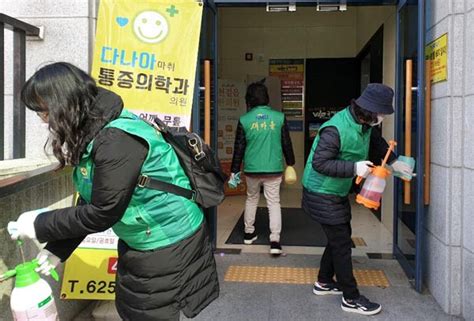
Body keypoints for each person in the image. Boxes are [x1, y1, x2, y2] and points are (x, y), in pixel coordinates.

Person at [7, 62, 219, 321]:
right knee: (136, 308)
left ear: (64, 102)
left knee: (148, 312)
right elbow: (91, 200)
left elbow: (103, 212)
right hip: (145, 237)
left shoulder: (116, 139)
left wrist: (39, 223)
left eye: (44, 111)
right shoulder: (95, 131)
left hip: (168, 241)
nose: (44, 121)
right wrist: (57, 249)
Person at [301, 83, 413, 316]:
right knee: (342, 242)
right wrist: (354, 168)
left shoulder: (364, 125)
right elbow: (320, 163)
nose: (382, 118)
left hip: (336, 190)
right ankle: (350, 298)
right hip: (320, 191)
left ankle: (323, 282)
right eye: (381, 114)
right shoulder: (335, 129)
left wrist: (394, 162)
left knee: (339, 237)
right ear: (370, 111)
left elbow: (377, 145)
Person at [229, 81, 295, 255]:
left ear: (249, 100)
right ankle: (275, 241)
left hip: (252, 169)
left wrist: (234, 171)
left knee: (251, 199)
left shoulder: (245, 120)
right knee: (273, 202)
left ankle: (248, 234)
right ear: (266, 98)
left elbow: (239, 148)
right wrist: (291, 162)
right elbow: (286, 143)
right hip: (273, 169)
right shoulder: (279, 118)